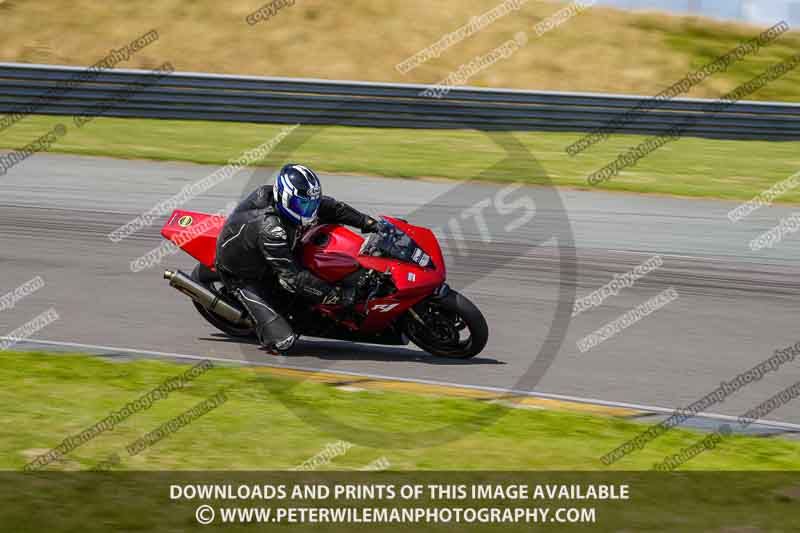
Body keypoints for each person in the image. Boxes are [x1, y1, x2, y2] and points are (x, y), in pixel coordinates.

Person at [215, 163, 378, 354]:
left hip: (267, 253)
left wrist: (368, 222)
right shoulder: (271, 230)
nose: (308, 210)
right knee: (284, 342)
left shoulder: (294, 202)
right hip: (242, 275)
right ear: (284, 199)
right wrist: (334, 295)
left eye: (311, 204)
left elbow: (333, 208)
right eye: (302, 205)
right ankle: (258, 321)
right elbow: (292, 278)